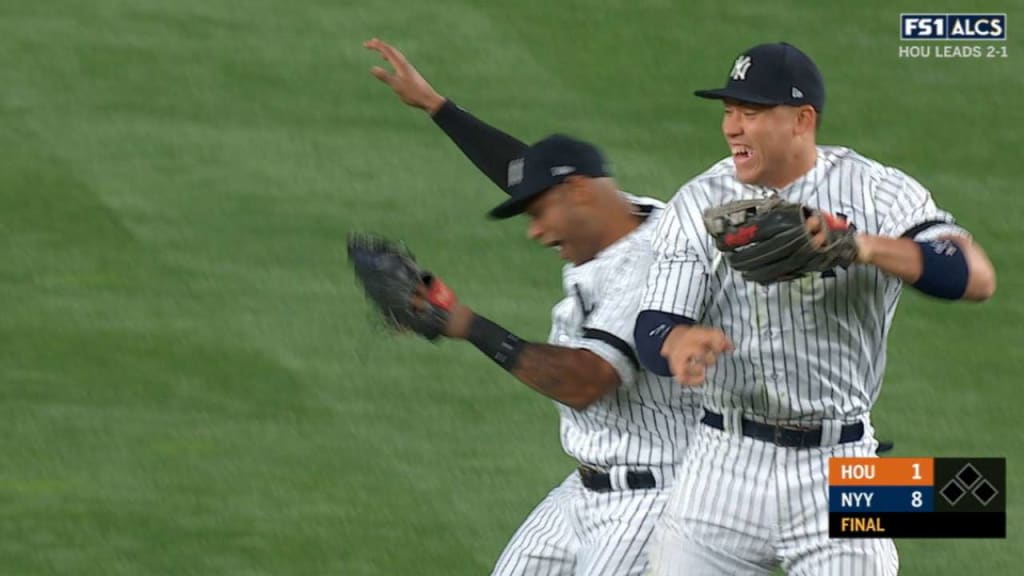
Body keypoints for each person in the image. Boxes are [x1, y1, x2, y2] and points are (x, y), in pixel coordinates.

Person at [634, 42, 996, 575]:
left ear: (803, 120)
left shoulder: (878, 191)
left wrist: (860, 246)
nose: (732, 127)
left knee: (970, 500)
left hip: (841, 463)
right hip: (721, 463)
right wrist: (677, 343)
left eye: (751, 113)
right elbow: (653, 325)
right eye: (729, 111)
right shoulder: (700, 200)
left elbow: (974, 276)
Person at [364, 38, 701, 575]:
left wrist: (464, 324)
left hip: (652, 500)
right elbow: (529, 173)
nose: (536, 232)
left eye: (540, 215)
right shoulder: (619, 216)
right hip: (586, 489)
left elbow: (585, 382)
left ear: (580, 193)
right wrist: (437, 107)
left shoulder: (652, 265)